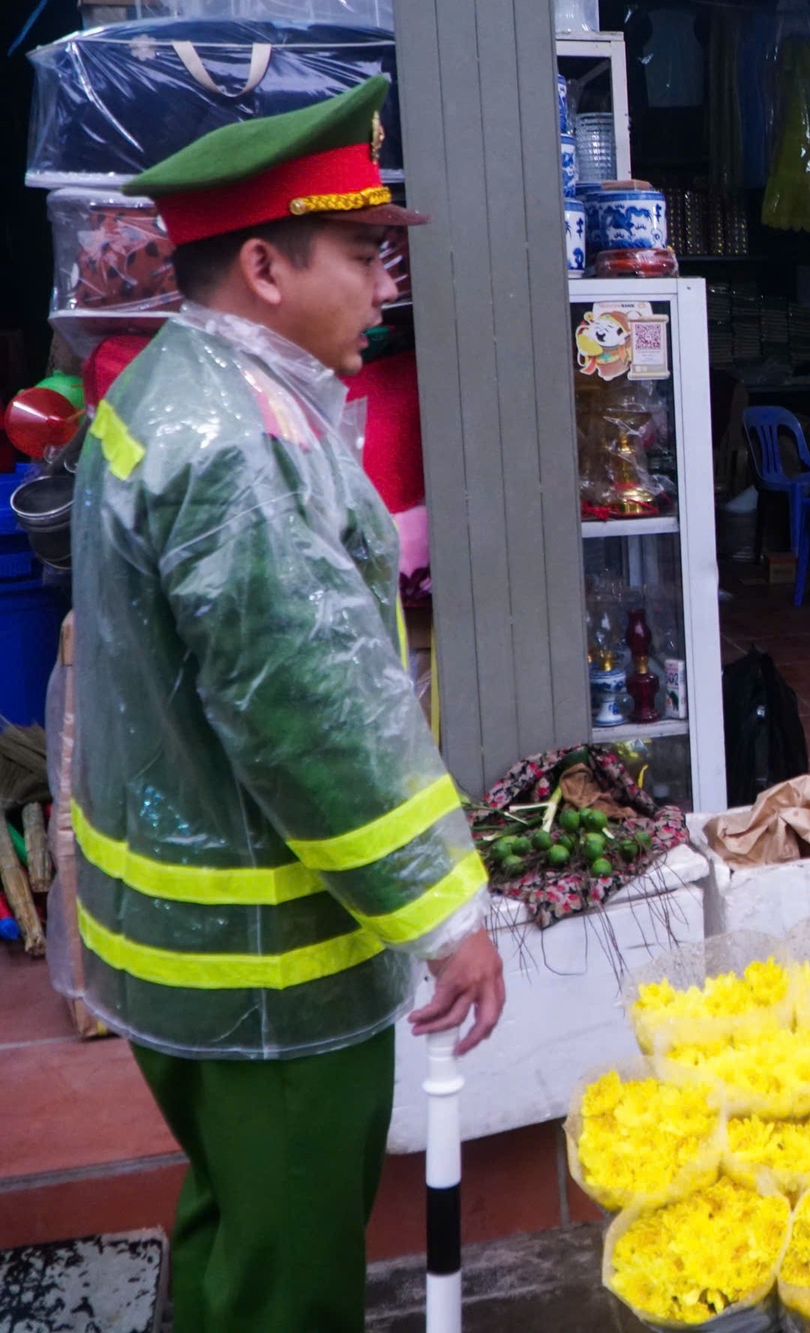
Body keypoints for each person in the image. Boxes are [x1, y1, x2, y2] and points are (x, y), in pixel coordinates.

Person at [67, 75, 505, 1332]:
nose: (385, 285)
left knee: (234, 1226)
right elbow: (310, 718)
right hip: (268, 966)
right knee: (293, 1272)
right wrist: (442, 911)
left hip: (180, 950)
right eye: (364, 253)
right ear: (264, 264)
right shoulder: (244, 446)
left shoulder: (171, 389)